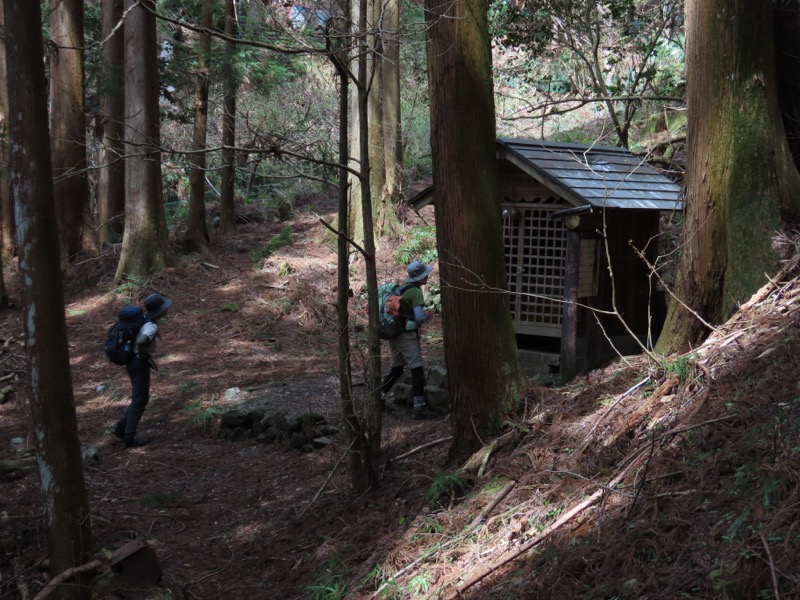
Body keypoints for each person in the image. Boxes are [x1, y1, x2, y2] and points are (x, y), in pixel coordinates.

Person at [113, 293, 172, 448]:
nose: (167, 309)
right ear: (160, 311)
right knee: (140, 400)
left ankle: (120, 428)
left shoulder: (144, 321)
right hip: (139, 364)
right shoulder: (151, 326)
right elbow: (141, 341)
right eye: (165, 308)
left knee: (138, 397)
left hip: (132, 362)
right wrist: (143, 354)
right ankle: (129, 437)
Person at [380, 260, 436, 420]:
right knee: (417, 370)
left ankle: (378, 397)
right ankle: (418, 408)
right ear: (421, 277)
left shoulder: (401, 288)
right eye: (426, 274)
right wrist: (426, 317)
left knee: (397, 369)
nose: (428, 276)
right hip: (406, 336)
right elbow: (418, 316)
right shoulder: (416, 292)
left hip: (394, 334)